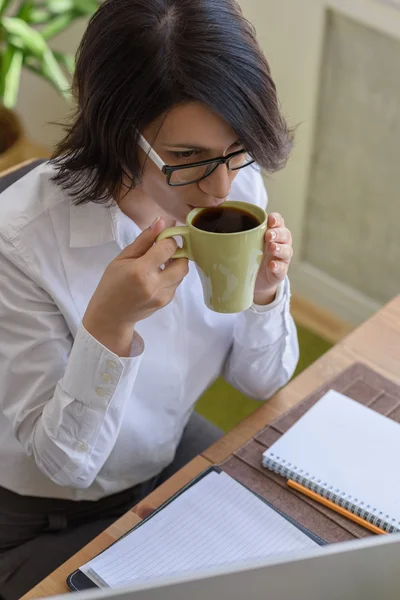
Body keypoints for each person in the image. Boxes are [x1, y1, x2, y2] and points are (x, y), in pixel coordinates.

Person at [0, 0, 298, 597]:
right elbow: (64, 466)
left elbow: (263, 383)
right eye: (186, 158)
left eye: (236, 147)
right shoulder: (20, 240)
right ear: (116, 129)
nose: (219, 187)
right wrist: (108, 328)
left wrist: (265, 296)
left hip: (166, 453)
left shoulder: (236, 181)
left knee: (290, 556)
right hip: (43, 516)